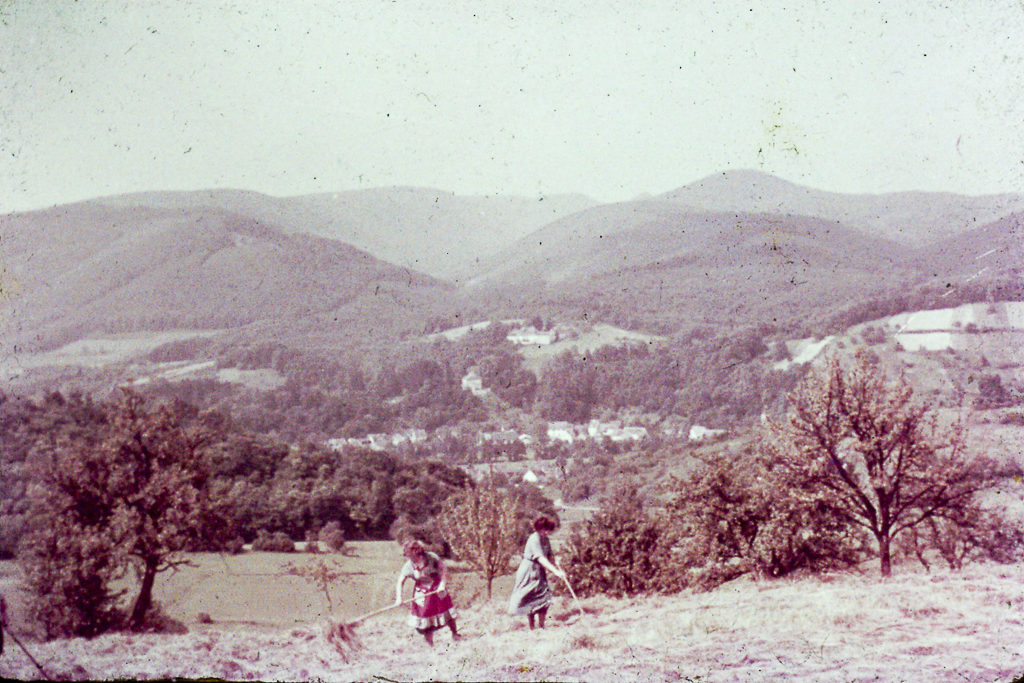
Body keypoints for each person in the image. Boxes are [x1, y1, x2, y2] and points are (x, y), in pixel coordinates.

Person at [394, 540, 460, 646]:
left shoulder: (432, 558)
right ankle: (430, 645)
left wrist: (442, 585)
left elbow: (443, 570)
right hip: (422, 593)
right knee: (424, 618)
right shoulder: (408, 566)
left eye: (411, 555)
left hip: (438, 590)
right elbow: (400, 582)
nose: (409, 558)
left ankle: (455, 634)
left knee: (447, 613)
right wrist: (399, 598)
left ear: (418, 553)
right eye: (408, 556)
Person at [508, 515, 565, 629]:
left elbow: (549, 555)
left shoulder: (545, 539)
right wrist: (555, 572)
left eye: (549, 530)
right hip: (529, 571)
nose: (547, 533)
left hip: (539, 572)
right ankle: (532, 627)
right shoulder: (534, 539)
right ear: (539, 528)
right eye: (545, 530)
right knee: (531, 598)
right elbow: (540, 558)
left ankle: (542, 626)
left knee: (544, 598)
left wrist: (557, 564)